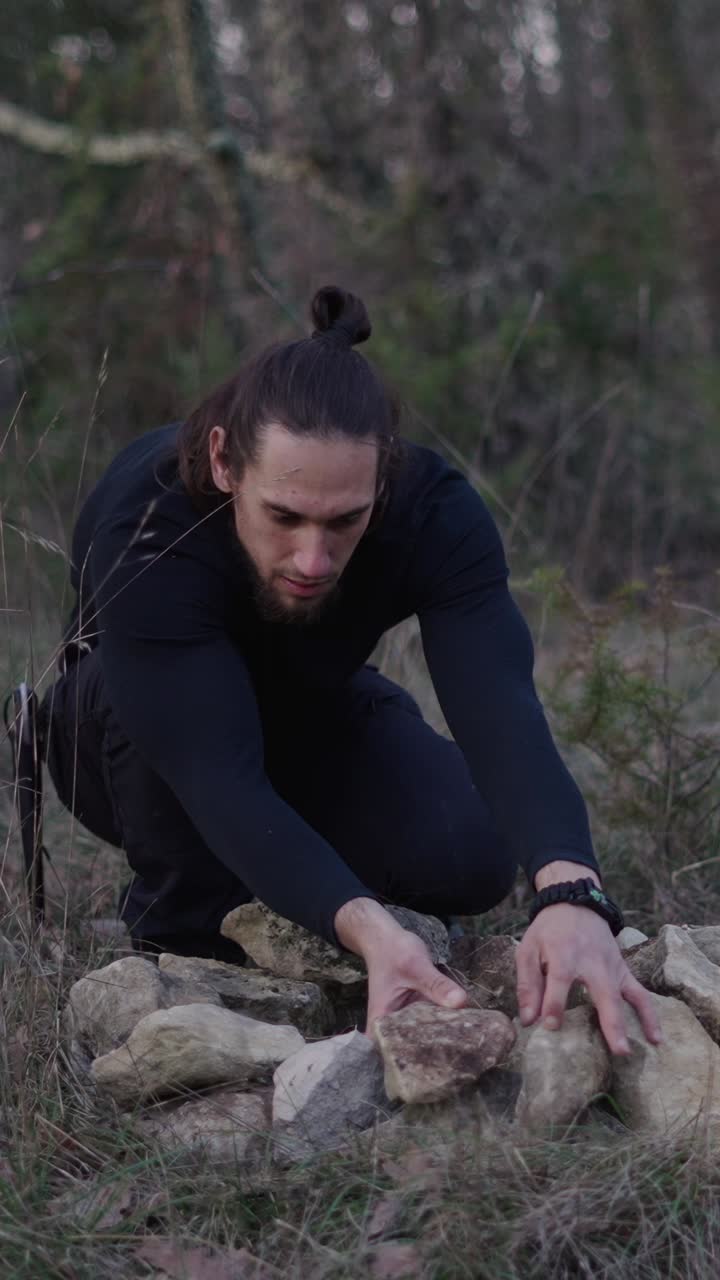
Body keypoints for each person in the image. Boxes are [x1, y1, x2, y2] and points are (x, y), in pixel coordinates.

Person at [39, 285, 660, 1054]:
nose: (312, 558)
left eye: (344, 521)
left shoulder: (433, 513)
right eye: (285, 516)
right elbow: (216, 774)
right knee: (206, 905)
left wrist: (572, 893)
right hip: (132, 735)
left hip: (303, 713)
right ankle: (181, 937)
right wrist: (364, 923)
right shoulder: (151, 520)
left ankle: (289, 877)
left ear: (384, 480)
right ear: (225, 462)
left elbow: (499, 707)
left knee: (469, 857)